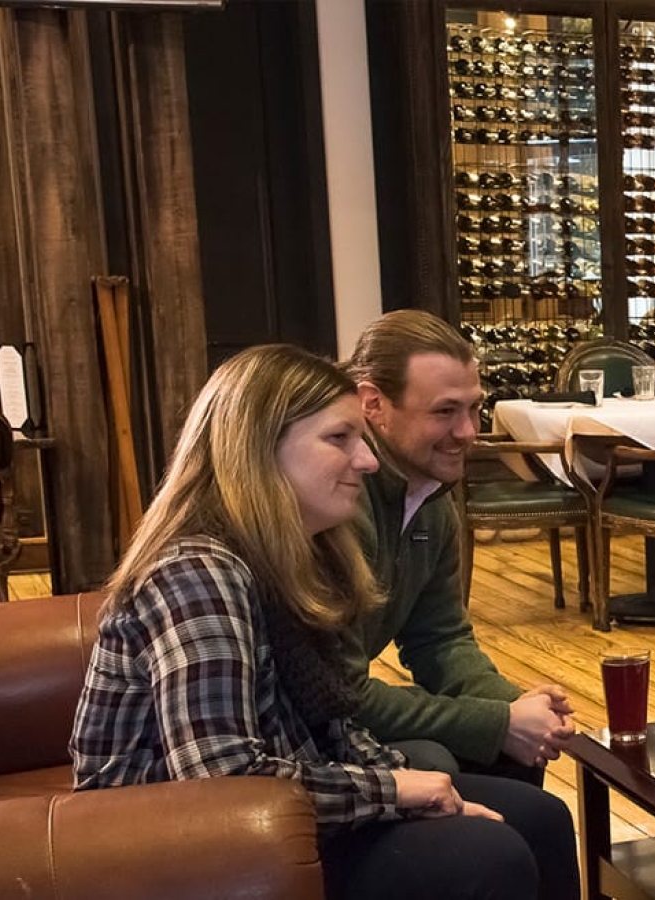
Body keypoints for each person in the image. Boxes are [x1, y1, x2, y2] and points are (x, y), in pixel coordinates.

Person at [71, 345, 576, 899]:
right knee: (487, 855)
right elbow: (220, 782)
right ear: (258, 451)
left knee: (540, 818)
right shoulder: (198, 571)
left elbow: (333, 725)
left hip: (267, 818)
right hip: (175, 851)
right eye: (340, 439)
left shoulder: (293, 553)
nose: (368, 460)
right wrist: (394, 789)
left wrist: (402, 778)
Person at [343, 310, 578, 781]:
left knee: (515, 752)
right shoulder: (337, 505)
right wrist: (499, 721)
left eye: (474, 408)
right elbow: (339, 693)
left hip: (346, 706)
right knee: (449, 758)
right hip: (298, 731)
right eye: (445, 411)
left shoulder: (430, 498)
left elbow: (440, 639)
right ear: (373, 404)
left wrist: (517, 706)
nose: (469, 431)